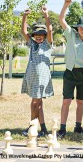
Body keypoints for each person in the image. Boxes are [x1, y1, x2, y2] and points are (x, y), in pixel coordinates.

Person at [57, 0, 83, 139]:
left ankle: (78, 127)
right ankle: (62, 128)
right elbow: (61, 20)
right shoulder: (71, 35)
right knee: (67, 100)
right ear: (77, 28)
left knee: (81, 101)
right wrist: (65, 5)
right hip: (70, 72)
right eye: (81, 27)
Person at [21, 7, 54, 138]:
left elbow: (50, 29)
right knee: (38, 104)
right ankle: (44, 129)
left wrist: (46, 15)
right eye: (36, 34)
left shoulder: (47, 44)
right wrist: (24, 16)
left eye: (41, 34)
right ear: (33, 36)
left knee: (35, 103)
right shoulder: (32, 44)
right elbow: (23, 31)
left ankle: (31, 127)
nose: (38, 36)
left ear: (45, 36)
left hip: (42, 78)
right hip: (32, 77)